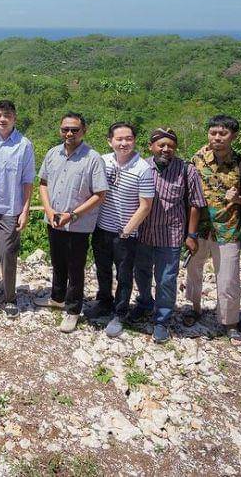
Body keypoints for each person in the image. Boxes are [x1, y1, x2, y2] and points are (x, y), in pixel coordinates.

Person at [34, 113, 108, 332]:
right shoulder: (52, 153)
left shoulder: (93, 158)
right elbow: (43, 183)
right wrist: (48, 210)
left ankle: (73, 310)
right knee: (58, 261)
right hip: (54, 219)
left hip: (78, 224)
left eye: (74, 130)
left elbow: (99, 195)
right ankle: (57, 298)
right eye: (65, 129)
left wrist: (73, 215)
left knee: (75, 268)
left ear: (83, 131)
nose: (69, 133)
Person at [188, 115, 241, 343]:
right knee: (194, 271)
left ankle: (230, 322)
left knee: (228, 278)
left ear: (233, 136)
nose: (217, 137)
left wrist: (238, 199)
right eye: (213, 133)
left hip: (229, 228)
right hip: (199, 227)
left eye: (223, 133)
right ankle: (194, 308)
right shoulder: (197, 159)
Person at [137, 128, 207, 343]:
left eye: (170, 146)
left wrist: (191, 235)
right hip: (143, 232)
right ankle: (144, 303)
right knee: (141, 272)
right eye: (161, 145)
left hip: (171, 234)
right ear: (151, 146)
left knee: (166, 279)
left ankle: (162, 320)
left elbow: (195, 204)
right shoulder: (141, 166)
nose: (166, 149)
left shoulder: (186, 170)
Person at [89, 122, 154, 339]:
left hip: (125, 233)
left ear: (134, 141)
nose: (124, 143)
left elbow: (145, 205)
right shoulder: (103, 161)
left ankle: (120, 312)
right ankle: (103, 302)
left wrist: (127, 230)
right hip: (101, 228)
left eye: (128, 139)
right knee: (102, 270)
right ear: (110, 141)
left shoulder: (142, 168)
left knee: (124, 275)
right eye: (119, 139)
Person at [0, 100, 35, 318]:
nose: (2, 119)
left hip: (11, 209)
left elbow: (28, 180)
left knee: (8, 254)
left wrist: (25, 210)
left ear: (14, 118)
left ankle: (10, 297)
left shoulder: (24, 145)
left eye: (7, 115)